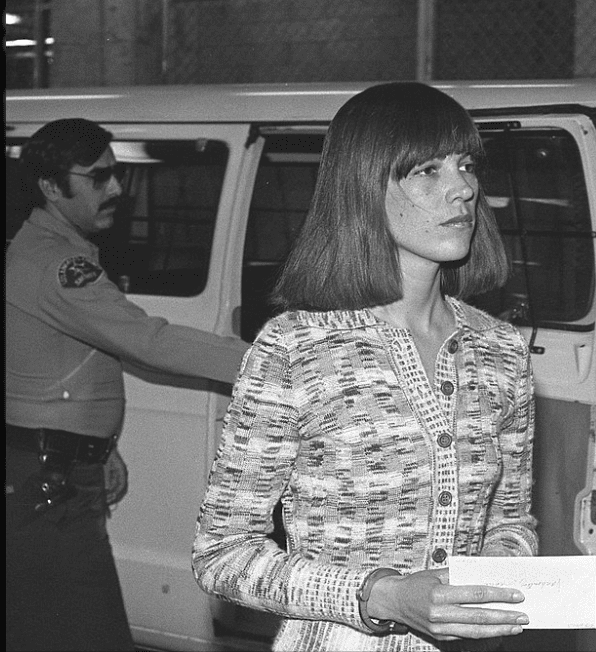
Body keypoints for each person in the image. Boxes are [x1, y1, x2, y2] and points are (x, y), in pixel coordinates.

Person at [191, 81, 538, 651]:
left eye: (467, 165)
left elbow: (512, 522)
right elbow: (222, 554)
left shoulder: (500, 350)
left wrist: (492, 578)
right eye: (427, 170)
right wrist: (381, 595)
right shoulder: (295, 348)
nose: (464, 189)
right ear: (363, 189)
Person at [5, 118, 251, 652]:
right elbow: (148, 341)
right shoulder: (57, 266)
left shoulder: (48, 249)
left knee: (46, 629)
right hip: (50, 481)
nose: (116, 188)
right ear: (51, 187)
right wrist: (272, 361)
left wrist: (98, 447)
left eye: (116, 173)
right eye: (98, 177)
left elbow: (64, 362)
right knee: (85, 633)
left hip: (55, 467)